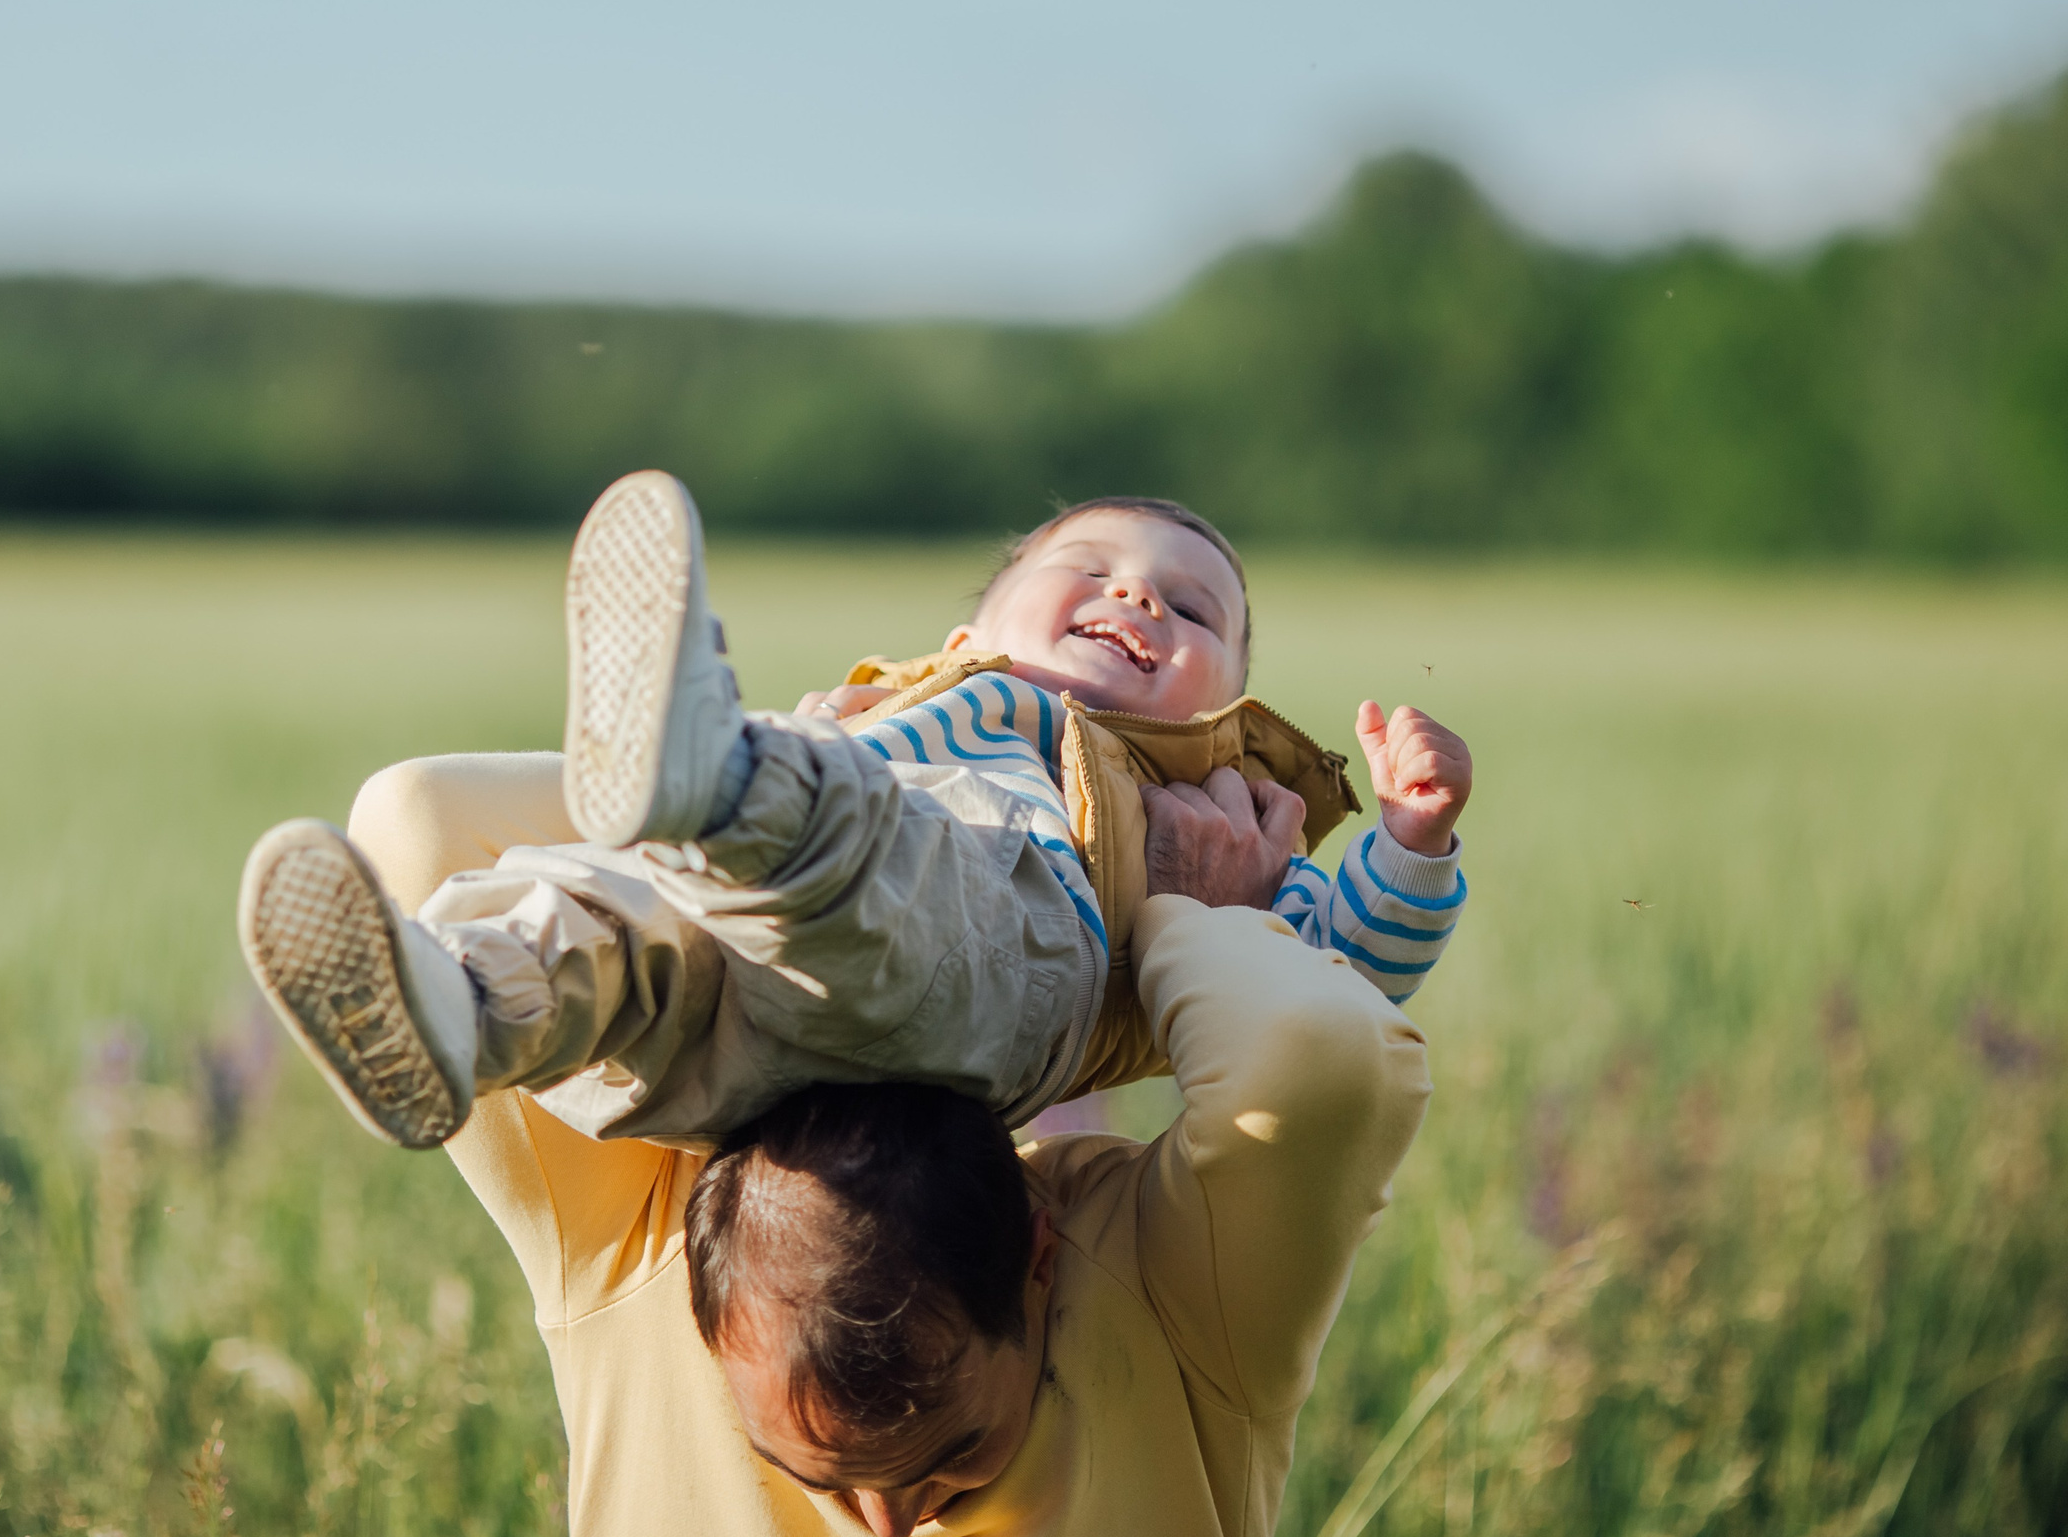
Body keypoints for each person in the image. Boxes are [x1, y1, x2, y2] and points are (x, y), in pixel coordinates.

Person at [346, 755, 1435, 1537]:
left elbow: (1315, 1066)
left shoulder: (1168, 1302)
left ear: (1039, 1257)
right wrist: (783, 805)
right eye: (812, 1471)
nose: (892, 1522)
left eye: (952, 1444)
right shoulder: (650, 1244)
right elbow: (412, 827)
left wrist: (1157, 901)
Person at [235, 470, 1470, 1149]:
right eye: (1091, 573)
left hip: (992, 959)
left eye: (1189, 612)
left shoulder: (1211, 806)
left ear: (1231, 698)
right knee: (622, 934)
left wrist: (1409, 843)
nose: (1139, 601)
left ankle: (716, 779)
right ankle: (457, 1006)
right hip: (755, 1012)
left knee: (871, 851)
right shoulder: (902, 707)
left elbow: (1345, 962)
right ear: (965, 640)